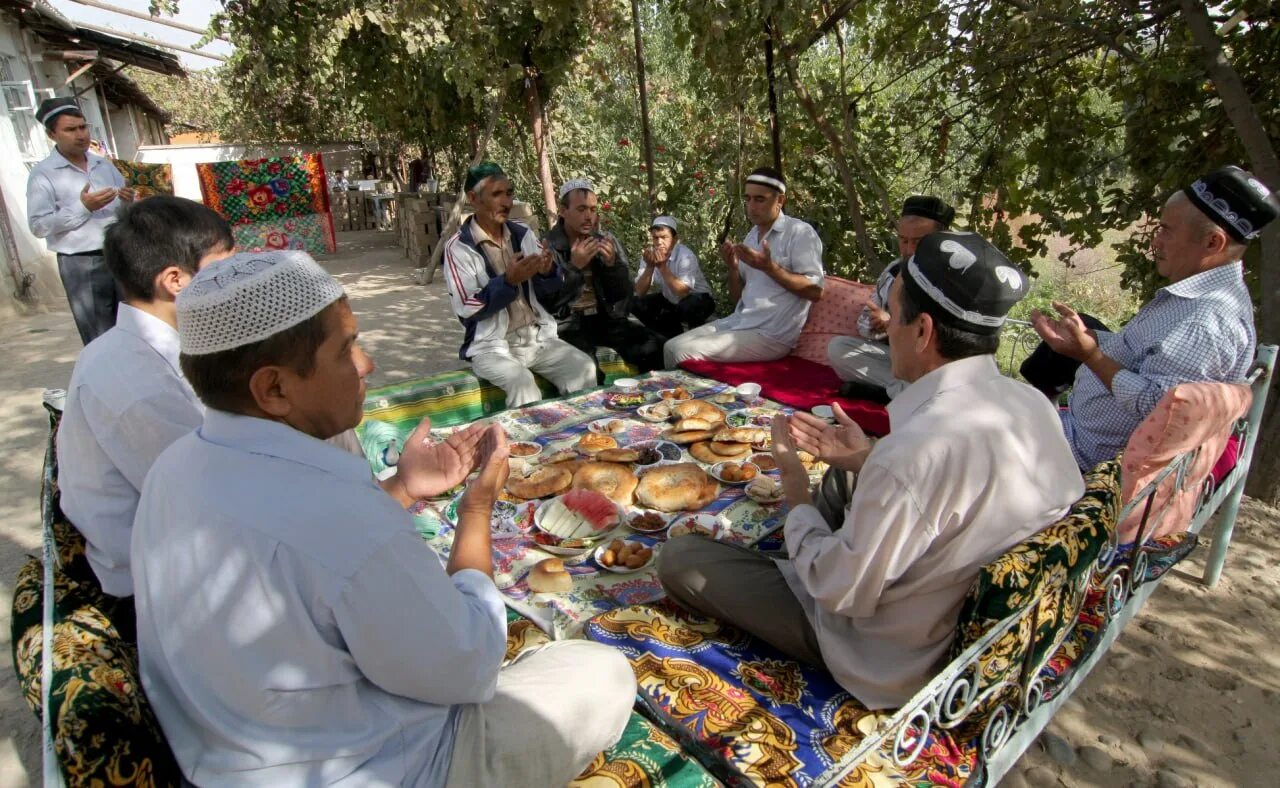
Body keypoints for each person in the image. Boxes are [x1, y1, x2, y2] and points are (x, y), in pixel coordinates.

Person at [132, 250, 635, 785]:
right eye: (347, 348)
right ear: (274, 388)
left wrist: (402, 487)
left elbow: (315, 570)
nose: (367, 364)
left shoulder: (173, 467)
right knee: (603, 672)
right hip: (393, 769)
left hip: (231, 755)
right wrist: (478, 507)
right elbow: (471, 665)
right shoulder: (338, 516)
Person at [658, 231, 1083, 710]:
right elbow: (968, 496)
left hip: (888, 652)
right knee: (845, 475)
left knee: (680, 560)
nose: (882, 331)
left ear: (922, 331)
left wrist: (796, 488)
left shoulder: (919, 450)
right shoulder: (1033, 403)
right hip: (954, 601)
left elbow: (839, 591)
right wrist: (868, 459)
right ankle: (807, 540)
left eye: (890, 316)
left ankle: (797, 549)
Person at [57, 198, 478, 615]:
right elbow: (239, 517)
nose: (365, 365)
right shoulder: (140, 387)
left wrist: (393, 489)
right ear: (174, 281)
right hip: (188, 594)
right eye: (226, 268)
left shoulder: (176, 356)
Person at [1033, 166, 1277, 471]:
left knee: (968, 424)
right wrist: (1088, 339)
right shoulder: (1194, 298)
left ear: (1213, 243)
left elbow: (1158, 408)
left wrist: (1090, 355)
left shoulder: (1206, 322)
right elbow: (1141, 355)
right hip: (1074, 429)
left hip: (1084, 458)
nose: (1156, 242)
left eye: (1166, 231)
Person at [443, 162, 596, 407]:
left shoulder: (522, 233)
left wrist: (547, 271)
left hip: (537, 337)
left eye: (509, 193)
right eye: (496, 194)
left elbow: (549, 289)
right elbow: (467, 307)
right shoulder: (458, 248)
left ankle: (577, 437)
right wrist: (508, 281)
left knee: (583, 367)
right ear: (473, 198)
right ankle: (527, 444)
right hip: (492, 346)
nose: (507, 202)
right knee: (522, 383)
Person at [664, 166, 824, 367]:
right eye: (747, 199)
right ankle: (679, 397)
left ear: (780, 201)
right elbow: (737, 298)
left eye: (759, 199)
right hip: (740, 322)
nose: (751, 206)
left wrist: (770, 268)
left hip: (771, 335)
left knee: (682, 352)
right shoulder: (752, 237)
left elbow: (816, 292)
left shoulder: (800, 233)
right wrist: (732, 268)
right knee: (670, 347)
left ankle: (689, 396)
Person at [26, 96, 135, 345]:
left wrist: (128, 199)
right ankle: (106, 383)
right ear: (52, 135)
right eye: (70, 130)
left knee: (133, 325)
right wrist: (83, 207)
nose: (80, 135)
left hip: (118, 254)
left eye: (83, 127)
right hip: (81, 262)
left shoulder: (103, 165)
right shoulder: (43, 174)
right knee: (99, 335)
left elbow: (123, 202)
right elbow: (38, 225)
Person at [828, 195, 955, 403]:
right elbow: (864, 323)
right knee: (838, 348)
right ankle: (901, 393)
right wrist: (877, 325)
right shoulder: (894, 271)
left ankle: (894, 393)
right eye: (903, 240)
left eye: (919, 242)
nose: (909, 250)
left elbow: (950, 341)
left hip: (932, 365)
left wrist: (894, 323)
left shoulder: (952, 278)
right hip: (896, 360)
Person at [543, 178, 666, 375]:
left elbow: (624, 297)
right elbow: (550, 304)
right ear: (563, 211)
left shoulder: (606, 241)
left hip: (605, 320)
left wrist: (612, 265)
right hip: (567, 327)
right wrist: (574, 267)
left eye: (592, 210)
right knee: (587, 369)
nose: (588, 217)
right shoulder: (548, 246)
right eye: (581, 209)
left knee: (657, 346)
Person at [631, 215, 715, 339]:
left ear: (675, 239)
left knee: (688, 306)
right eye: (655, 238)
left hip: (698, 298)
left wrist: (662, 267)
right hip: (671, 300)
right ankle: (669, 336)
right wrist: (649, 267)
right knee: (634, 304)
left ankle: (695, 336)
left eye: (664, 237)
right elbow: (639, 291)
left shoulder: (686, 256)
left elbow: (683, 292)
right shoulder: (650, 255)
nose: (659, 242)